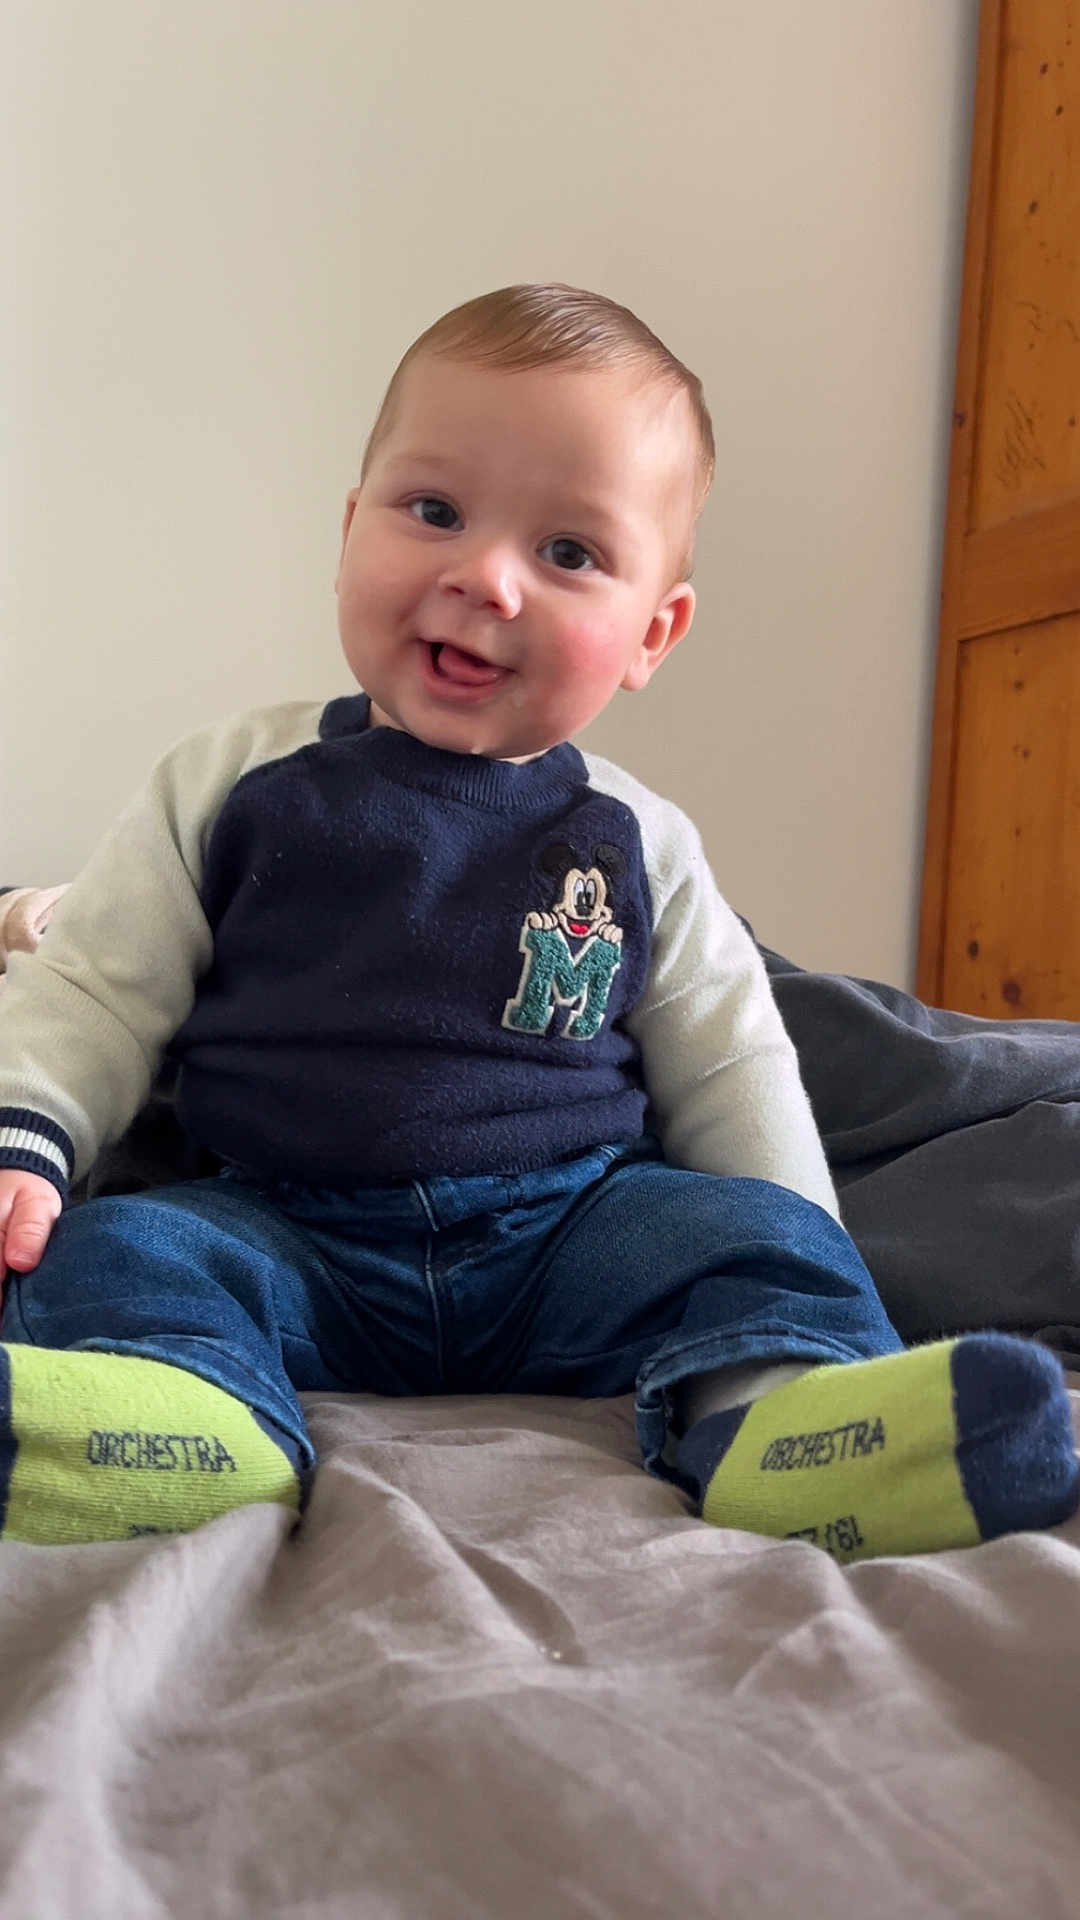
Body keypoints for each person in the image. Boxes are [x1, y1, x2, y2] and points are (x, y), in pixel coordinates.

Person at [0, 283, 1075, 1557]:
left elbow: (733, 1061)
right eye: (435, 512)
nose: (484, 577)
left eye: (569, 553)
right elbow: (95, 990)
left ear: (651, 633)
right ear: (350, 530)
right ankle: (180, 1423)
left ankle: (786, 1420)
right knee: (130, 1246)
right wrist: (30, 1140)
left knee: (745, 1237)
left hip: (569, 1228)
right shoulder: (228, 782)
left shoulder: (640, 838)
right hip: (288, 1222)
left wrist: (802, 1252)